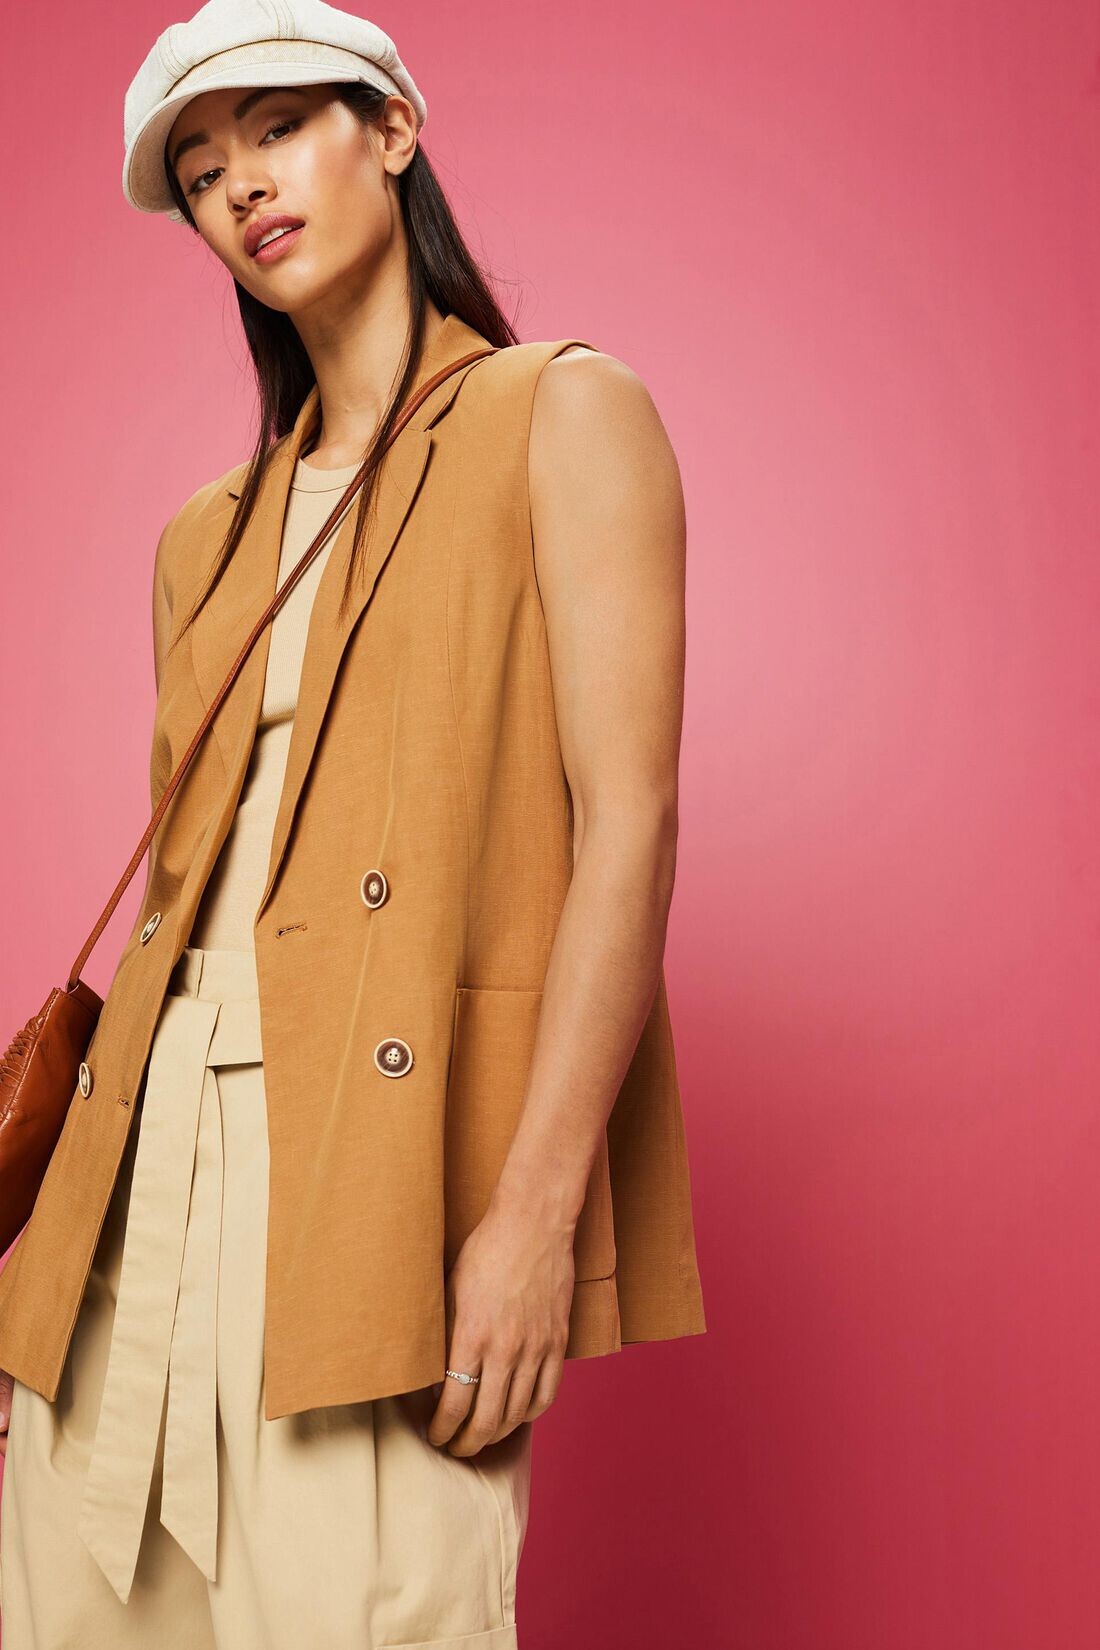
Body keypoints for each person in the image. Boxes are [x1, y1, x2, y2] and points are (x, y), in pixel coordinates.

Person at [0, 0, 706, 1643]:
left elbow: (631, 829)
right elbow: (195, 894)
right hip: (127, 1203)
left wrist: (531, 1221)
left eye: (277, 129)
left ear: (391, 130)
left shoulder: (562, 413)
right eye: (201, 171)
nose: (242, 184)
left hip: (368, 1189)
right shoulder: (204, 537)